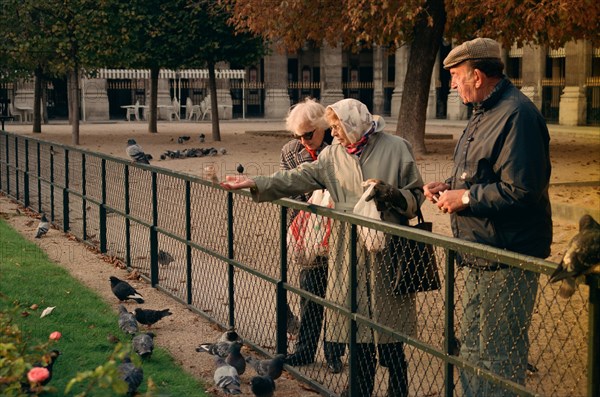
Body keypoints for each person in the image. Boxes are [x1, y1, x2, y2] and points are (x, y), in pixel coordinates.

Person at [222, 98, 424, 397]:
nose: (335, 133)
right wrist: (256, 182)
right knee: (357, 334)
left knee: (391, 338)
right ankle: (358, 391)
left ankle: (398, 392)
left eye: (337, 127)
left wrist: (392, 195)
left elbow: (416, 197)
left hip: (387, 251)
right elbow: (295, 179)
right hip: (347, 250)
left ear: (353, 123)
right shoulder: (332, 155)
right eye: (331, 128)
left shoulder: (397, 147)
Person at [423, 38, 552, 397]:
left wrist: (463, 197)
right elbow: (483, 176)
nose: (451, 84)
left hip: (507, 257)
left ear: (477, 76)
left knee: (499, 359)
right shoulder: (485, 112)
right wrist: (448, 187)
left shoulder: (517, 115)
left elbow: (523, 191)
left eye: (455, 76)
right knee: (473, 353)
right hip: (480, 253)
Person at [278, 98, 342, 373]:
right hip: (309, 233)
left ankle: (334, 353)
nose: (304, 141)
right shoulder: (291, 151)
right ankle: (305, 350)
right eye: (298, 136)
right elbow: (289, 187)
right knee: (310, 293)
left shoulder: (339, 148)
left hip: (337, 230)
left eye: (308, 134)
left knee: (338, 297)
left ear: (322, 127)